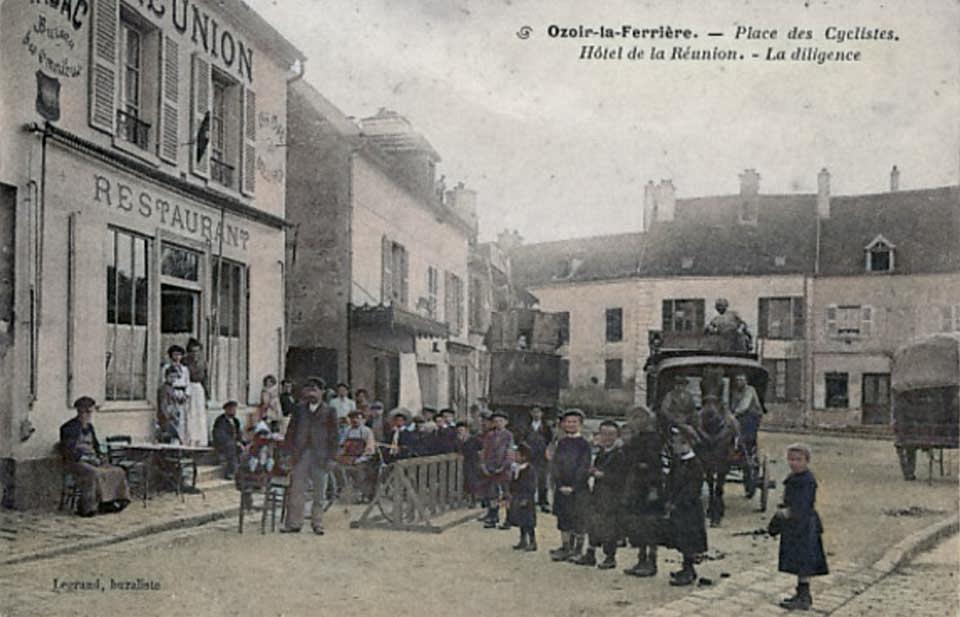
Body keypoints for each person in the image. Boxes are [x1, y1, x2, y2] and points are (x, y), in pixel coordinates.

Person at [773, 443, 828, 611]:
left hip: (804, 526)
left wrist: (785, 514)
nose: (794, 463)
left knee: (804, 562)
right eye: (791, 459)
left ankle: (804, 596)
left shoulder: (807, 481)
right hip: (795, 525)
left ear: (806, 461)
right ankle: (801, 593)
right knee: (798, 561)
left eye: (798, 460)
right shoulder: (794, 478)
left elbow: (803, 505)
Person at [281, 378, 339, 535]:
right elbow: (290, 432)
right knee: (297, 490)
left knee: (319, 492)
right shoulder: (299, 409)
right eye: (308, 389)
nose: (311, 393)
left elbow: (334, 436)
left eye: (315, 389)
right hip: (301, 454)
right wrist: (287, 454)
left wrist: (332, 458)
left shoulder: (329, 411)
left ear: (322, 392)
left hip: (321, 455)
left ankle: (317, 523)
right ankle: (294, 523)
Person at [59, 397, 130, 517]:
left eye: (89, 412)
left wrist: (100, 456)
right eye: (85, 412)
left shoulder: (90, 428)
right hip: (77, 462)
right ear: (79, 411)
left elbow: (96, 446)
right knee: (93, 473)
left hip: (92, 459)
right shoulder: (69, 428)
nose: (87, 415)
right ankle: (87, 507)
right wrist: (85, 458)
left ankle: (112, 501)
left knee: (117, 471)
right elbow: (67, 450)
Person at [621, 406, 666, 577]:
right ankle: (641, 559)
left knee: (650, 525)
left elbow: (655, 465)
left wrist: (654, 488)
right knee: (638, 524)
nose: (635, 421)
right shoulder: (636, 438)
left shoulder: (653, 439)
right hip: (637, 486)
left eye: (639, 418)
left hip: (649, 487)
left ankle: (652, 562)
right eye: (633, 418)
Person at [575, 420, 626, 570]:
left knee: (609, 526)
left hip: (611, 495)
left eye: (611, 435)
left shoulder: (619, 455)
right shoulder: (601, 453)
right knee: (593, 522)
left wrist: (602, 475)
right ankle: (590, 553)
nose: (607, 438)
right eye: (604, 434)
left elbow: (621, 478)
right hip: (597, 493)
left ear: (617, 436)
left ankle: (610, 557)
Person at [663, 427, 708, 586]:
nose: (674, 447)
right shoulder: (678, 462)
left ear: (687, 444)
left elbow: (692, 489)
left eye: (676, 444)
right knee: (680, 538)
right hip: (678, 508)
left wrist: (678, 502)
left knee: (689, 540)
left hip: (689, 509)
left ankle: (689, 570)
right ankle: (685, 567)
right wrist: (668, 498)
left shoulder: (695, 465)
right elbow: (670, 482)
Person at [548, 409, 592, 562]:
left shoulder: (584, 444)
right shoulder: (562, 443)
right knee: (563, 517)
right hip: (562, 487)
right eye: (568, 422)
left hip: (578, 488)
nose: (571, 425)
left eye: (574, 422)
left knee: (578, 518)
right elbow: (556, 466)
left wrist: (574, 486)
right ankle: (566, 547)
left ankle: (578, 549)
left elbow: (584, 466)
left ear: (580, 424)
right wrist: (559, 484)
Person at [478, 411, 514, 528]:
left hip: (504, 468)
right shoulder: (489, 436)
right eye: (496, 421)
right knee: (492, 493)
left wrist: (504, 466)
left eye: (501, 421)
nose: (498, 423)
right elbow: (484, 451)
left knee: (506, 493)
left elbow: (510, 452)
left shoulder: (509, 435)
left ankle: (509, 519)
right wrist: (484, 465)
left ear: (506, 422)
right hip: (491, 467)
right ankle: (493, 516)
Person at [338, 409, 377, 501]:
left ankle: (363, 494)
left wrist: (360, 459)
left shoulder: (367, 431)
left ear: (363, 420)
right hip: (348, 457)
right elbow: (341, 445)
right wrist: (341, 456)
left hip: (363, 458)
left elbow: (370, 448)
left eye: (357, 418)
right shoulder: (347, 430)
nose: (355, 420)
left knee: (360, 471)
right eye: (352, 418)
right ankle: (340, 490)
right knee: (336, 468)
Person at [507, 444, 538, 551]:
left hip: (526, 498)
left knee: (528, 521)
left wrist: (526, 498)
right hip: (517, 496)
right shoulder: (517, 468)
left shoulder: (529, 469)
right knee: (521, 520)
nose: (515, 457)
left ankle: (533, 541)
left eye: (517, 455)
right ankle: (523, 540)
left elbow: (531, 486)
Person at [160, 345, 191, 443]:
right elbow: (164, 382)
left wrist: (186, 395)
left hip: (182, 394)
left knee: (182, 420)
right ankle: (174, 439)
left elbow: (187, 383)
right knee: (172, 419)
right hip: (172, 394)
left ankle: (182, 440)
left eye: (179, 355)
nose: (177, 357)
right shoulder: (166, 368)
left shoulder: (184, 369)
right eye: (175, 354)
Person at [182, 338, 209, 446]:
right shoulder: (185, 362)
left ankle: (200, 439)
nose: (195, 354)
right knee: (190, 413)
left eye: (197, 351)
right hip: (189, 387)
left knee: (199, 414)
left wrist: (207, 395)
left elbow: (205, 379)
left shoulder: (203, 363)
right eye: (192, 351)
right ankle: (190, 438)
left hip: (199, 388)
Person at [658, 375, 699, 445]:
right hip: (672, 423)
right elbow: (664, 409)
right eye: (678, 384)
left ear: (685, 386)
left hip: (687, 421)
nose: (680, 387)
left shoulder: (688, 396)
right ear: (675, 385)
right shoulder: (670, 395)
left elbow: (692, 409)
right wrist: (674, 419)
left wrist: (688, 418)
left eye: (682, 385)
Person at [527, 406, 553, 512]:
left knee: (542, 480)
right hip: (530, 456)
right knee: (529, 479)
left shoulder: (546, 427)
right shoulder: (527, 427)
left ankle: (543, 502)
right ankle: (529, 501)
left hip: (542, 457)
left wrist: (548, 451)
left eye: (538, 412)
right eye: (534, 412)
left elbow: (550, 441)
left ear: (542, 414)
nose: (536, 414)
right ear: (531, 413)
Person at [212, 400, 244, 480]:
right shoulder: (220, 421)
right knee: (231, 448)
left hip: (234, 443)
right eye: (232, 409)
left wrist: (240, 442)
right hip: (223, 444)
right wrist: (234, 442)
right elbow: (219, 435)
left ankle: (243, 472)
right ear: (227, 410)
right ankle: (231, 472)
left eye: (235, 409)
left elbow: (239, 433)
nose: (234, 411)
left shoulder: (236, 421)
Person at [157, 365, 186, 443]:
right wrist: (168, 416)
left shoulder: (171, 388)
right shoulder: (164, 389)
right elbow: (163, 405)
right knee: (173, 436)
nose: (173, 379)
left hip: (173, 416)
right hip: (166, 418)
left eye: (174, 377)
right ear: (166, 376)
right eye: (171, 377)